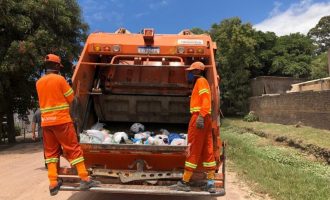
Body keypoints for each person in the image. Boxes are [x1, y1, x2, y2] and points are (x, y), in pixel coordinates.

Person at [36, 54, 99, 196]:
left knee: (51, 154)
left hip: (46, 123)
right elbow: (72, 99)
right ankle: (84, 178)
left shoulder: (38, 82)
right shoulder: (60, 80)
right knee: (73, 149)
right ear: (57, 66)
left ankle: (53, 183)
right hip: (62, 121)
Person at [170, 61, 216, 193]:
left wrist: (201, 116)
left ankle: (185, 181)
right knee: (208, 149)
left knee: (193, 148)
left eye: (190, 71)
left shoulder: (201, 81)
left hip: (199, 118)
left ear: (196, 71)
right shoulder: (202, 81)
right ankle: (211, 183)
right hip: (205, 118)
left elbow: (206, 99)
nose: (189, 74)